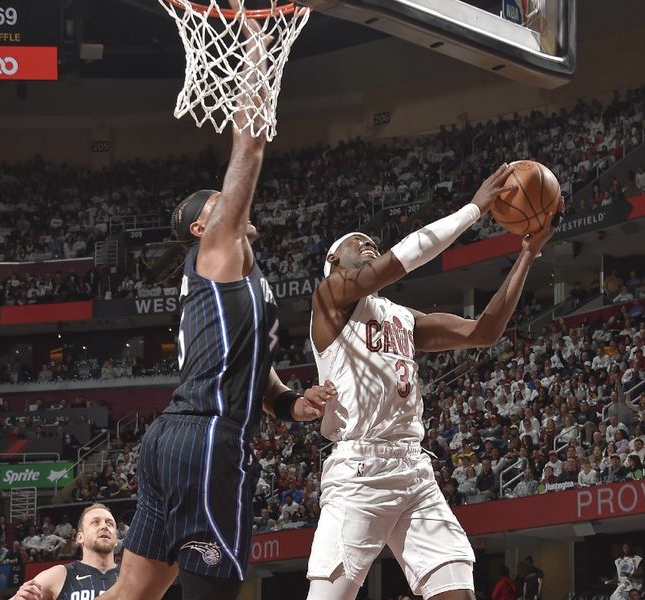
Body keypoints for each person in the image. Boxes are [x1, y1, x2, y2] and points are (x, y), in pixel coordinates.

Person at [104, 25, 337, 600]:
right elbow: (250, 146)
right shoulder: (214, 252)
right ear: (202, 227)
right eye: (218, 201)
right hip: (207, 438)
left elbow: (249, 369)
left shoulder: (238, 277)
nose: (229, 200)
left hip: (174, 439)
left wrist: (288, 402)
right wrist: (257, 47)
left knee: (131, 594)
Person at [305, 162, 560, 600]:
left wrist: (527, 255)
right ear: (333, 261)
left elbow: (483, 332)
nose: (369, 245)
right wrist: (473, 210)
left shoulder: (403, 318)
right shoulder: (329, 299)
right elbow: (401, 260)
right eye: (357, 243)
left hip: (413, 469)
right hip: (358, 471)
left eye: (372, 242)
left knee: (457, 592)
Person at [9, 504, 119, 600]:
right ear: (80, 537)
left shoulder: (131, 578)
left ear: (116, 540)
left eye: (109, 523)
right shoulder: (60, 575)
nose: (104, 526)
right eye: (95, 522)